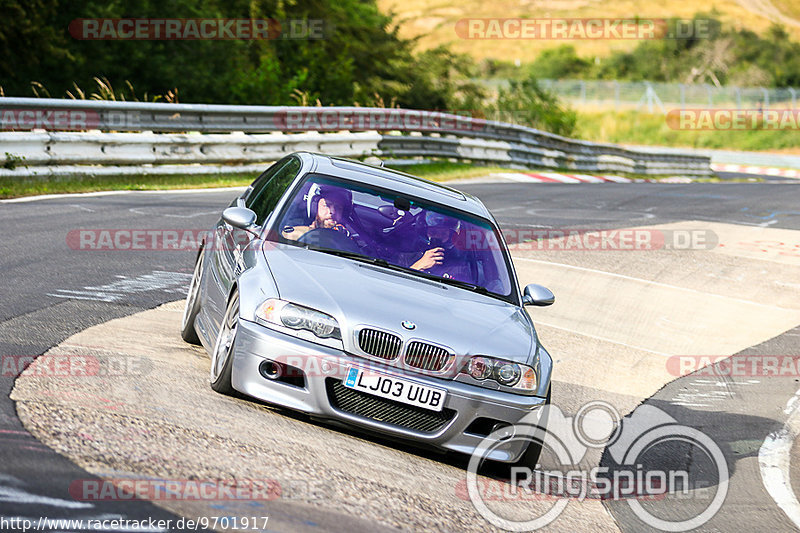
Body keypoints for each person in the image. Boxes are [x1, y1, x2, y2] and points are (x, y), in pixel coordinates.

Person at [407, 211, 473, 282]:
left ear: (450, 237)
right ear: (424, 233)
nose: (437, 237)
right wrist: (418, 266)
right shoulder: (406, 258)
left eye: (443, 234)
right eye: (433, 233)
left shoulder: (459, 267)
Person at [282, 185, 352, 241]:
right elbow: (286, 233)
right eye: (326, 205)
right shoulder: (297, 227)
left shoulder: (346, 237)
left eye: (338, 208)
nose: (332, 211)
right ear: (315, 208)